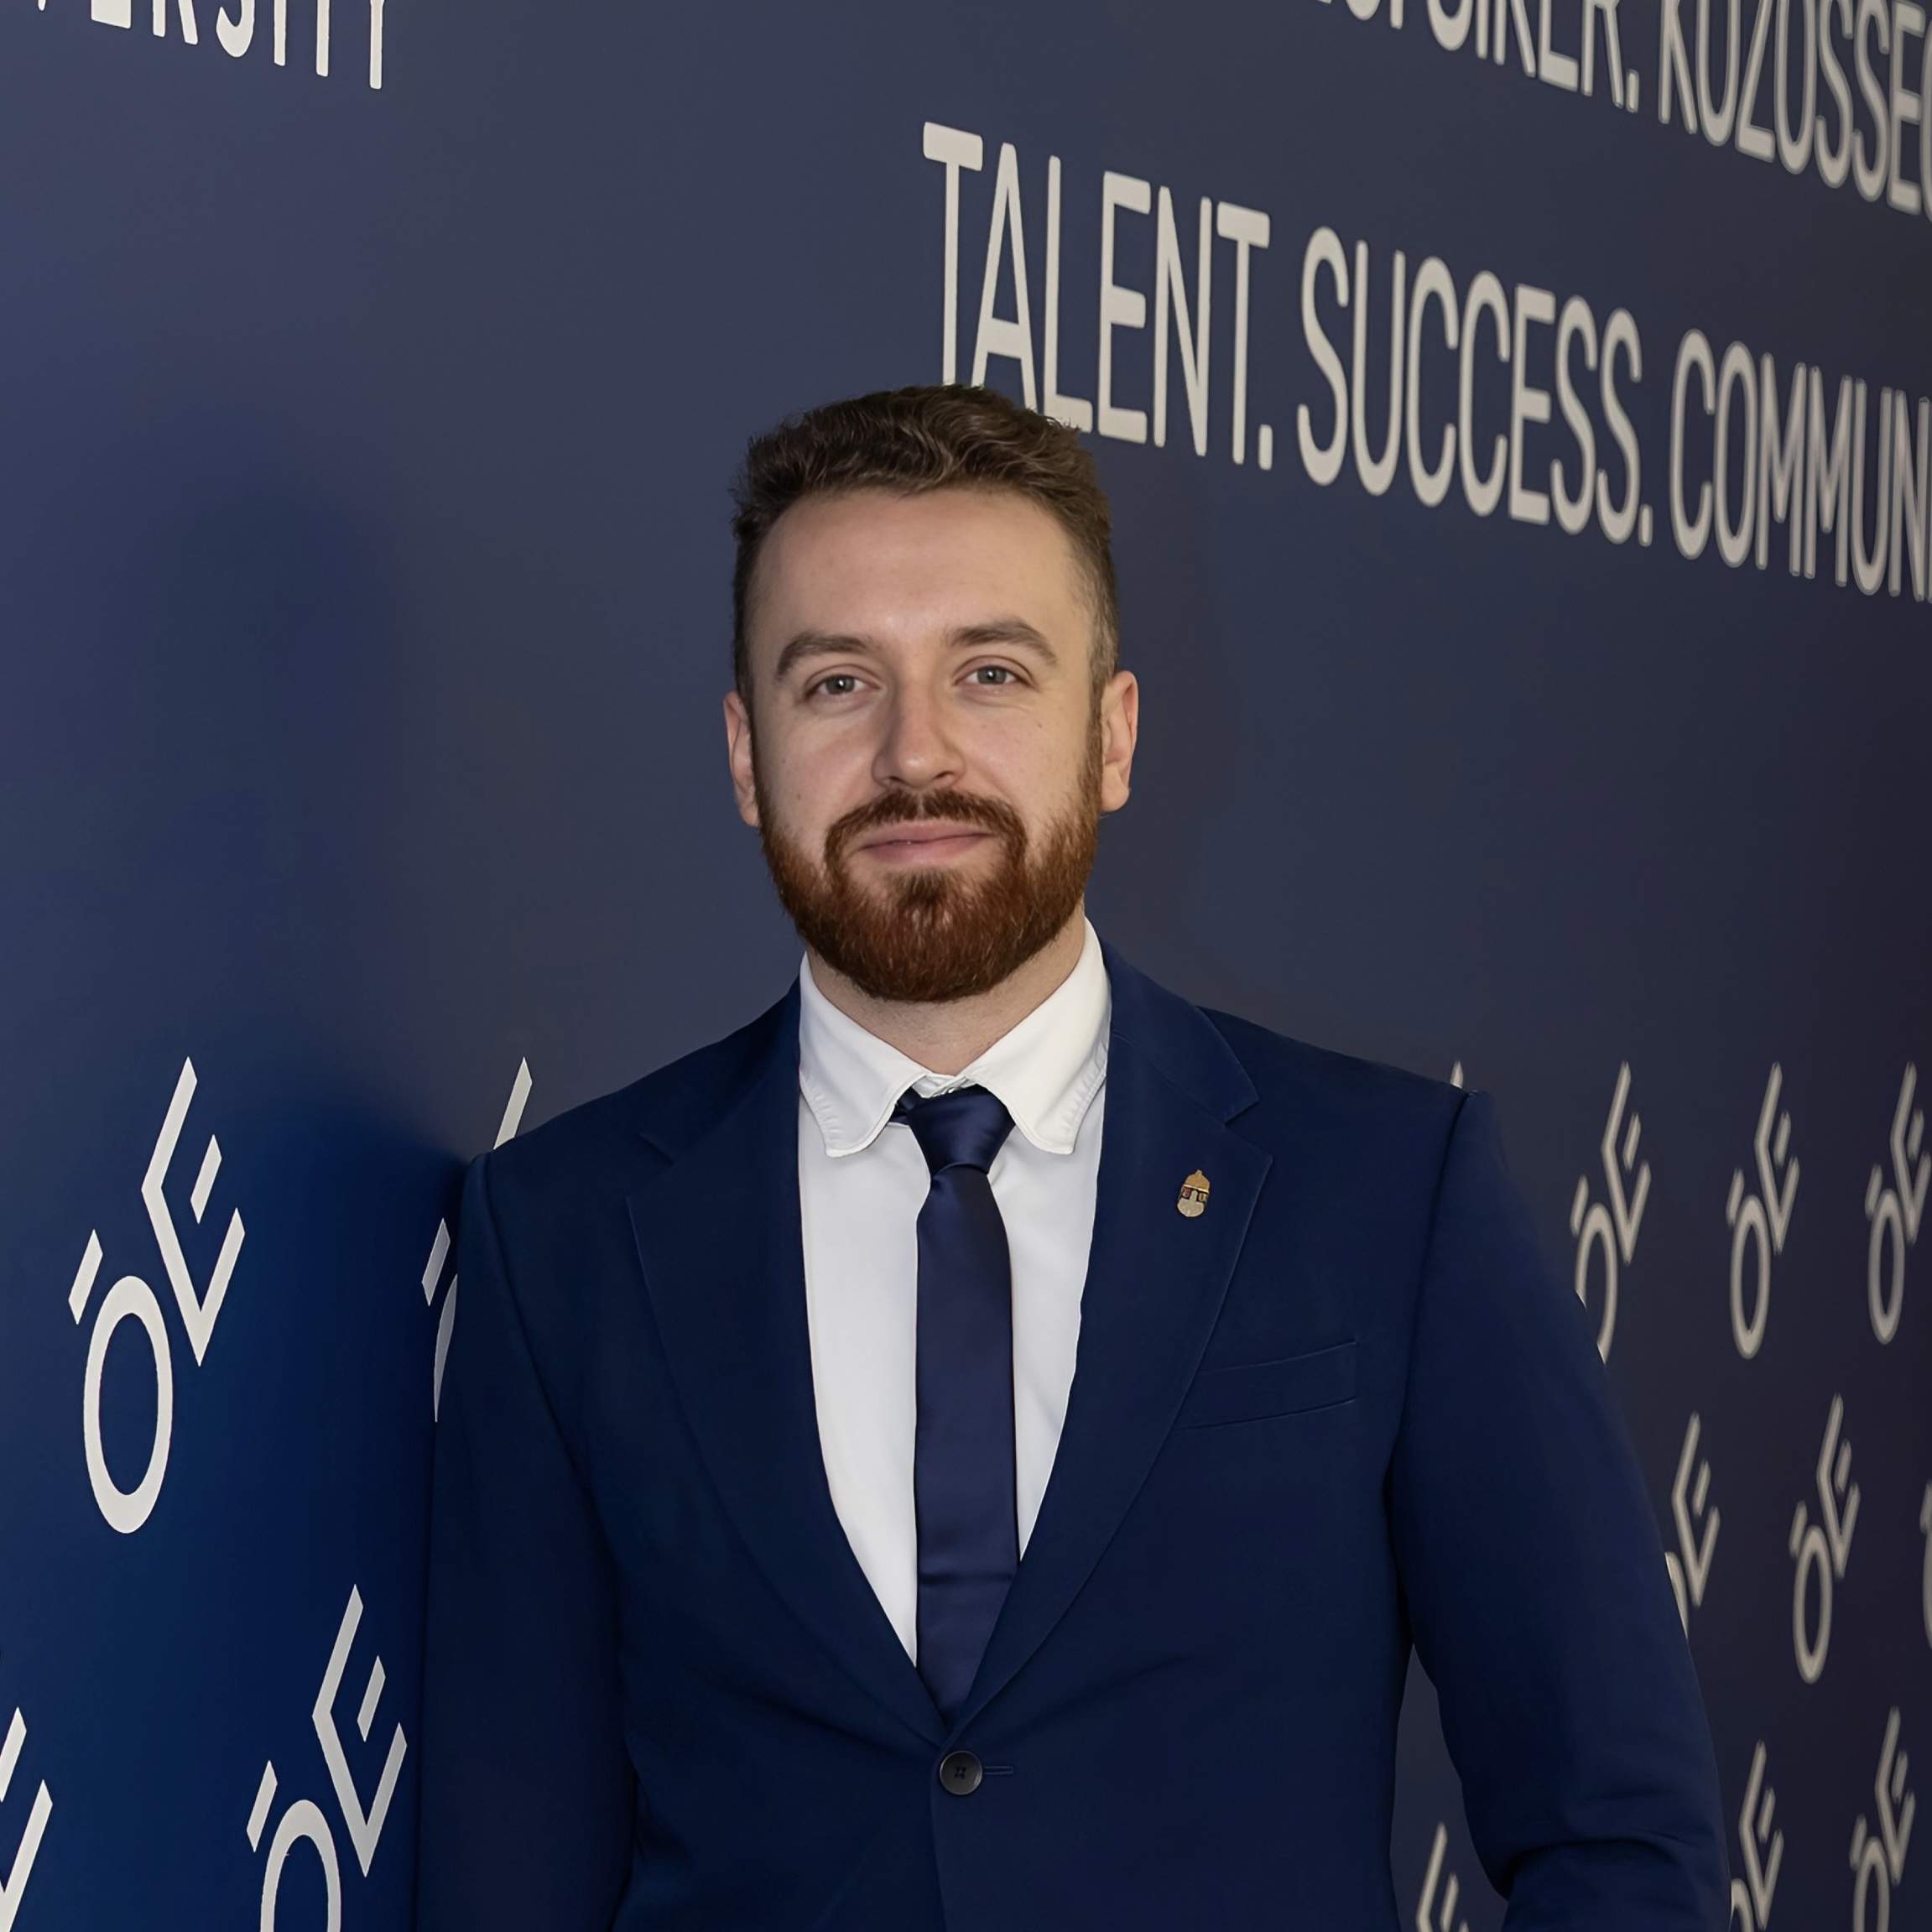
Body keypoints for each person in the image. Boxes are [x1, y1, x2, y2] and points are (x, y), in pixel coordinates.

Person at [417, 385, 1727, 1930]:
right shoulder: (562, 1236)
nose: (915, 754)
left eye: (990, 672)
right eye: (837, 682)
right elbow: (510, 1875)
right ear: (745, 754)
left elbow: (1616, 1827)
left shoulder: (1389, 1191)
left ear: (1111, 735)